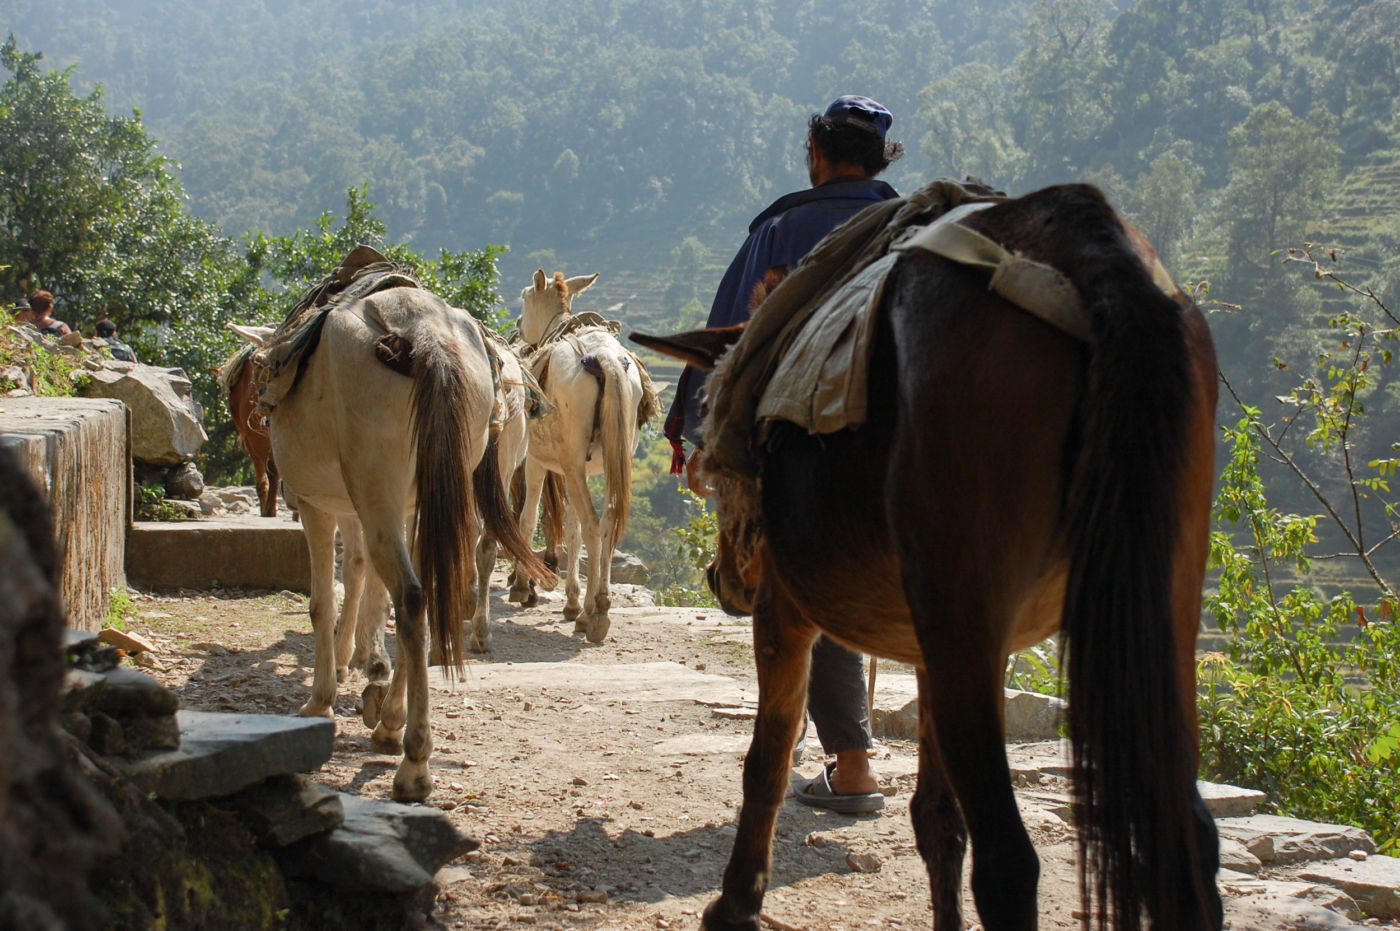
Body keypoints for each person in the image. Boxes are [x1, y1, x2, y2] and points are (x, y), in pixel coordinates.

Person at [665, 95, 905, 814]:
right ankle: (861, 760)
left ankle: (851, 763)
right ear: (880, 159)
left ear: (818, 154)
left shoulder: (782, 230)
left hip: (809, 443)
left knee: (803, 573)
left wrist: (699, 439)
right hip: (913, 444)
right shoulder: (916, 228)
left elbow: (730, 346)